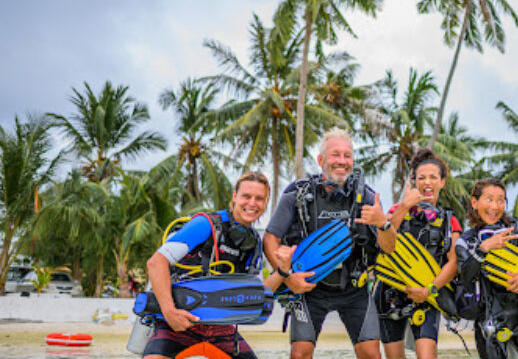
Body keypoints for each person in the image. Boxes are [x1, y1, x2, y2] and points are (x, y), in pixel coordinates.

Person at [263, 127, 391, 359]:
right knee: (300, 354)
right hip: (308, 288)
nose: (342, 161)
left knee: (371, 353)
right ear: (321, 160)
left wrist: (383, 224)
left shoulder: (367, 197)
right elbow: (270, 238)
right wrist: (288, 278)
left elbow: (389, 247)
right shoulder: (297, 194)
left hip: (354, 288)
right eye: (335, 154)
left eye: (347, 155)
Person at [142, 171, 297, 359]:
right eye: (246, 196)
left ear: (265, 203)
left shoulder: (254, 242)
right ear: (235, 196)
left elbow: (257, 292)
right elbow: (156, 262)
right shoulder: (205, 224)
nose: (252, 203)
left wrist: (282, 270)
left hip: (221, 329)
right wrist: (170, 313)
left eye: (259, 198)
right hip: (179, 322)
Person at [376, 148, 463, 359]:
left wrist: (429, 290)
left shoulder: (449, 221)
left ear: (443, 182)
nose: (427, 182)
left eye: (433, 177)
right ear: (414, 181)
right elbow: (384, 242)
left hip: (428, 294)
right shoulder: (397, 210)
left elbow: (453, 263)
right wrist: (405, 205)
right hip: (390, 294)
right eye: (421, 178)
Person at [456, 178, 518, 359]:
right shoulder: (466, 242)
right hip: (489, 320)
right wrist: (483, 249)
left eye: (500, 200)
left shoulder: (515, 231)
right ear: (474, 202)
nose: (495, 206)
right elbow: (466, 275)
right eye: (489, 199)